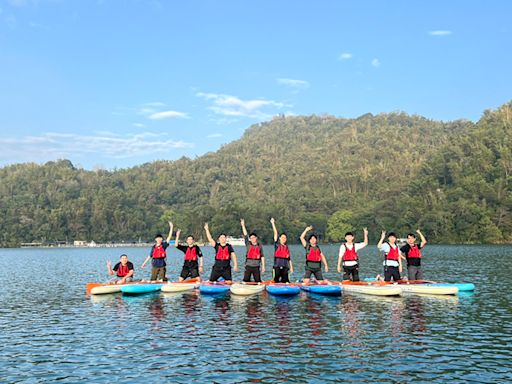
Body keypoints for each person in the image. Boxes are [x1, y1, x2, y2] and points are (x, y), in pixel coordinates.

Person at [270, 217, 294, 283]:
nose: (284, 239)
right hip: (277, 266)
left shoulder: (286, 247)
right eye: (282, 237)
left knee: (286, 280)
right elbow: (275, 233)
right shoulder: (277, 245)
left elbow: (289, 259)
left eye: (285, 238)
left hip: (285, 267)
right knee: (276, 279)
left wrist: (291, 267)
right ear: (280, 238)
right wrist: (273, 223)